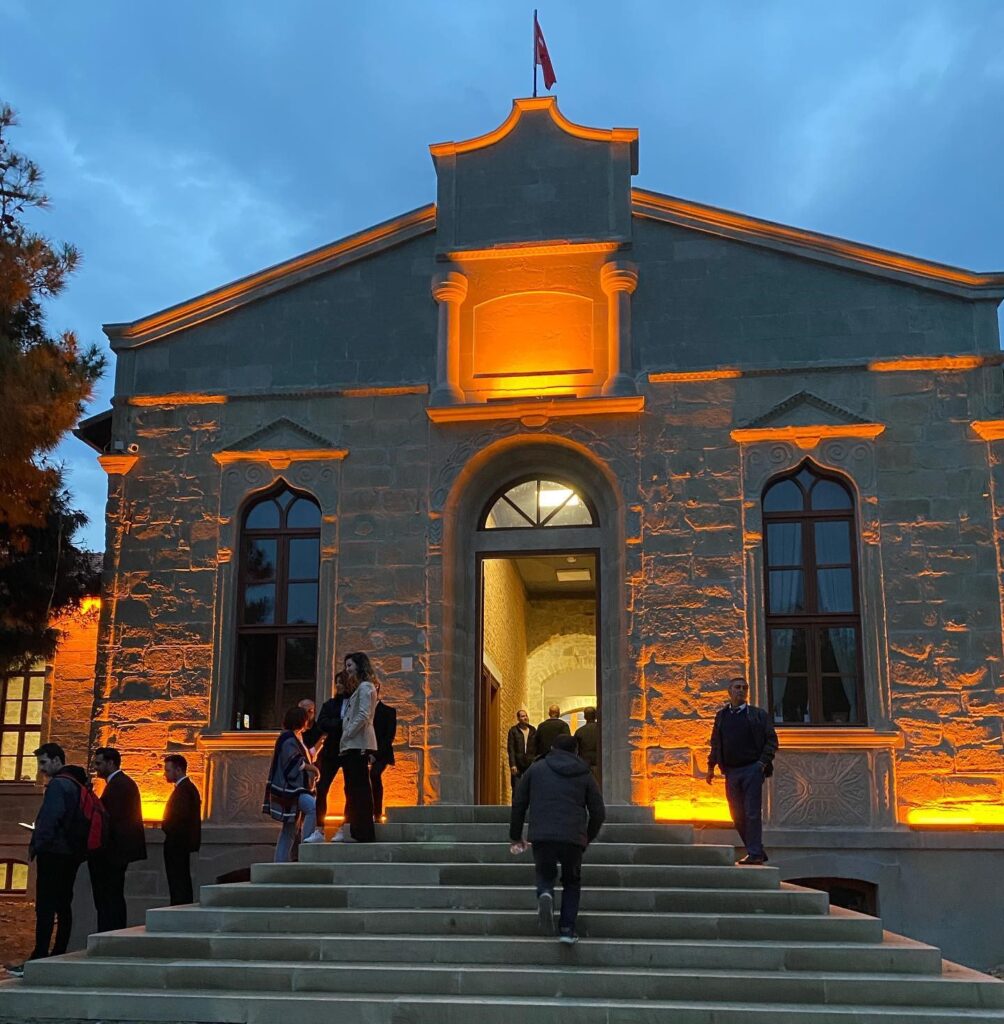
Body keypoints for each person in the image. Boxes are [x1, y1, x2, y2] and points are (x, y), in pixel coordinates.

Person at [510, 733, 605, 945]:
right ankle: (567, 929)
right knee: (572, 881)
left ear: (552, 747)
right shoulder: (584, 773)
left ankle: (545, 893)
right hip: (573, 836)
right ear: (576, 751)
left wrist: (516, 836)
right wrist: (587, 837)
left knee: (545, 873)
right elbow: (598, 812)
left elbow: (519, 803)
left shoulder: (536, 769)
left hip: (542, 834)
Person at [8, 744, 86, 976]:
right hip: (69, 853)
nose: (41, 768)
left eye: (43, 762)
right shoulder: (77, 784)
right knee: (63, 905)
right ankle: (59, 952)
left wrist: (38, 844)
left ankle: (39, 957)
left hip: (54, 853)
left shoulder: (58, 785)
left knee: (45, 907)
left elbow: (51, 819)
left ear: (56, 760)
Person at [705, 677, 779, 865]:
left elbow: (772, 741)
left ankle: (754, 853)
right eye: (737, 687)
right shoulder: (722, 717)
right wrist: (711, 767)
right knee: (736, 814)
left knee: (752, 812)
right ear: (729, 691)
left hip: (752, 769)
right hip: (731, 771)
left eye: (744, 688)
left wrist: (761, 764)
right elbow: (716, 742)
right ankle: (756, 850)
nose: (741, 691)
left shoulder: (757, 715)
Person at [88, 747, 146, 933]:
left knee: (109, 897)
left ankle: (110, 933)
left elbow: (110, 819)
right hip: (116, 852)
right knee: (112, 896)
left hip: (113, 853)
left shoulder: (119, 785)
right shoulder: (121, 784)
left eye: (99, 763)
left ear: (110, 763)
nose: (96, 767)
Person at [265, 706, 324, 861]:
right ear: (300, 720)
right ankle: (307, 846)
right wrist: (314, 769)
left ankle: (280, 862)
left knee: (289, 829)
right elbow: (295, 763)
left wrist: (321, 742)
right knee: (312, 807)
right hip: (290, 789)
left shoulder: (296, 738)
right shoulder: (288, 739)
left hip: (293, 789)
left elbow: (308, 756)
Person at [334, 652, 378, 843]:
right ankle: (358, 830)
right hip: (352, 745)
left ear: (359, 666)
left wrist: (347, 733)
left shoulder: (366, 687)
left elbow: (363, 715)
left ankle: (363, 831)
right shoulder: (361, 688)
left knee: (359, 789)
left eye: (350, 665)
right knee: (353, 788)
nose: (347, 669)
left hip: (357, 745)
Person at [161, 754, 202, 905]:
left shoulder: (184, 790)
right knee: (179, 881)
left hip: (177, 844)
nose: (165, 774)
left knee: (178, 882)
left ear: (178, 770)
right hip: (180, 844)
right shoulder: (186, 789)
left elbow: (179, 818)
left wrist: (166, 826)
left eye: (168, 770)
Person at [315, 672, 347, 834]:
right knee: (322, 787)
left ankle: (346, 825)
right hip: (331, 750)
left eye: (342, 682)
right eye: (337, 682)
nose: (339, 685)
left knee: (350, 789)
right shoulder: (330, 704)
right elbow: (322, 724)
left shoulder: (354, 703)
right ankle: (320, 827)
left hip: (349, 750)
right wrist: (341, 723)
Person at [371, 683, 397, 823]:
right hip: (364, 751)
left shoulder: (388, 712)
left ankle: (377, 813)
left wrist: (375, 755)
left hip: (381, 753)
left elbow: (389, 737)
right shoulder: (361, 711)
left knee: (374, 775)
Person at [506, 710, 536, 795]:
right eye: (522, 716)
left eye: (526, 716)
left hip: (530, 763)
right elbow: (511, 748)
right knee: (517, 789)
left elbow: (536, 747)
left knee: (531, 788)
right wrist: (513, 764)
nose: (525, 718)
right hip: (518, 764)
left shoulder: (533, 731)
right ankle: (516, 807)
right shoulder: (513, 731)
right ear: (518, 718)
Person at [574, 707, 599, 782]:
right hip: (600, 762)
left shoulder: (579, 731)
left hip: (584, 763)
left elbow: (575, 749)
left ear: (584, 717)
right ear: (595, 716)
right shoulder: (601, 730)